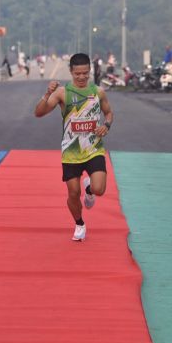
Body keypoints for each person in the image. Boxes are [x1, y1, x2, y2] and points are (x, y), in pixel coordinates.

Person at [34, 53, 114, 242]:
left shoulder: (98, 92)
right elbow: (38, 113)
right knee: (72, 193)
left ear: (90, 72)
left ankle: (89, 190)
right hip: (71, 152)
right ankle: (79, 223)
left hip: (94, 149)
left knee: (99, 189)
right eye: (77, 73)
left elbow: (109, 113)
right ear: (71, 72)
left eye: (85, 73)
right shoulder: (62, 92)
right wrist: (47, 93)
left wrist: (107, 125)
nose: (81, 77)